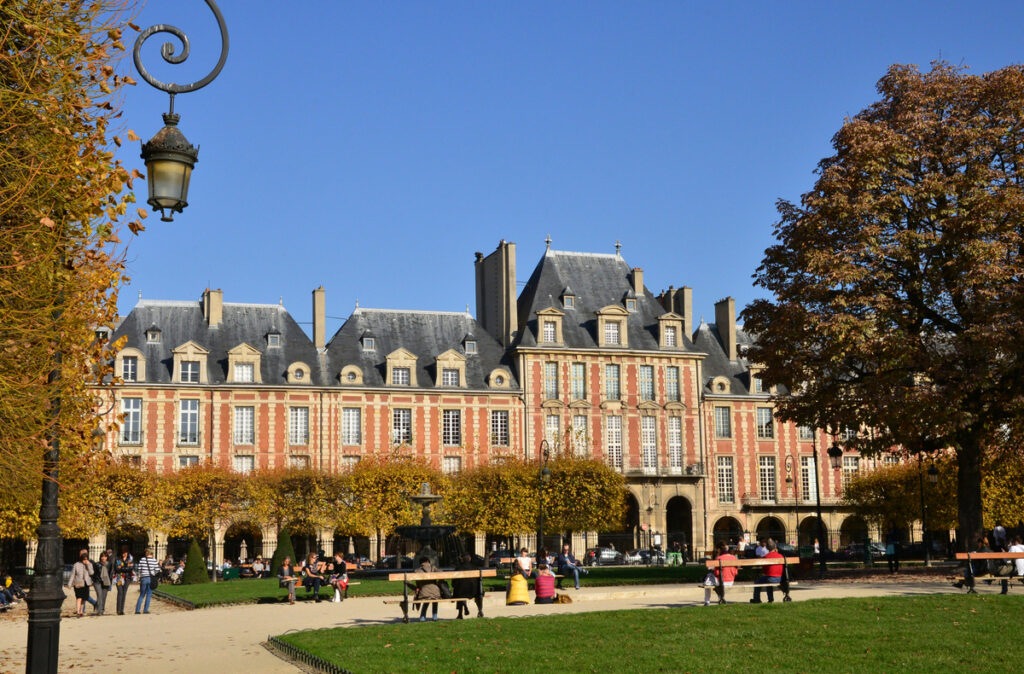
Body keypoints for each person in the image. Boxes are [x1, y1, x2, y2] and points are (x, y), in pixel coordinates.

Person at [411, 556, 441, 621]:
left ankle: (422, 616)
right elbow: (442, 574)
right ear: (428, 561)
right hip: (436, 592)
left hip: (423, 592)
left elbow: (407, 581)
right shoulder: (433, 568)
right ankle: (435, 616)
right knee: (434, 598)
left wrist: (415, 588)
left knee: (427, 598)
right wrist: (438, 583)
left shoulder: (417, 571)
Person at [452, 553, 482, 618]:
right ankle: (480, 610)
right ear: (470, 559)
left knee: (458, 589)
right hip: (474, 592)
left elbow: (454, 583)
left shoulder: (458, 568)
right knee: (479, 594)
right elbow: (479, 580)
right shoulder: (475, 568)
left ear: (462, 560)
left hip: (461, 592)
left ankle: (460, 613)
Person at [135, 547, 160, 614]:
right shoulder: (154, 560)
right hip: (150, 578)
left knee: (142, 595)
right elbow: (157, 570)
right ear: (152, 553)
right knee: (149, 594)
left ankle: (137, 610)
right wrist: (153, 573)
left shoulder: (142, 560)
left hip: (143, 578)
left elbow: (139, 570)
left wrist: (139, 577)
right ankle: (145, 610)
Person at [68, 550, 93, 617]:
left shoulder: (89, 564)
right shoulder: (76, 564)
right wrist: (70, 584)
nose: (85, 560)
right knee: (79, 598)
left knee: (84, 598)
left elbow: (91, 573)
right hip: (78, 583)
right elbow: (72, 575)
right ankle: (78, 611)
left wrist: (88, 565)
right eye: (84, 559)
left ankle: (81, 611)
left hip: (86, 583)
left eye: (86, 559)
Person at [113, 548, 134, 615]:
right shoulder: (118, 559)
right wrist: (126, 567)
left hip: (127, 578)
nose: (124, 553)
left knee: (124, 593)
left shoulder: (130, 559)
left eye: (125, 552)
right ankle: (118, 610)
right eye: (123, 552)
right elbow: (117, 569)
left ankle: (121, 610)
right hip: (119, 577)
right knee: (120, 592)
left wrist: (122, 568)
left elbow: (131, 568)